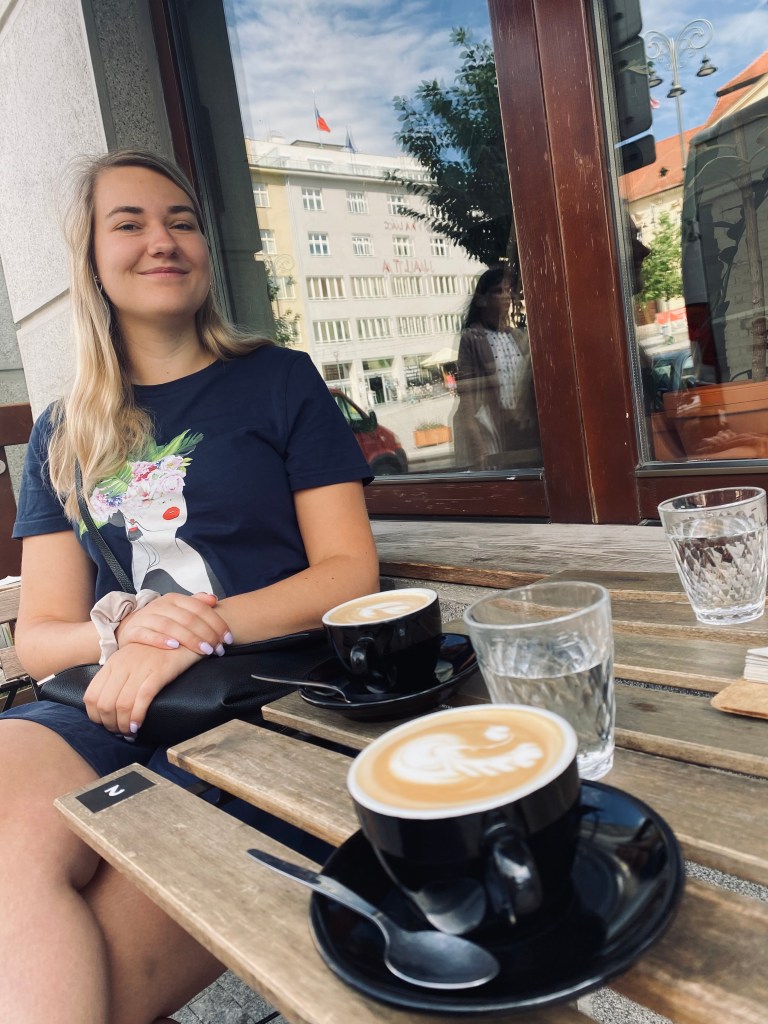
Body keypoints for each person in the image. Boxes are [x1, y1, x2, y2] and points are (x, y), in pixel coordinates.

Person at [0, 149, 379, 1024]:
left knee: (99, 989)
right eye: (128, 224)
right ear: (91, 259)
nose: (162, 240)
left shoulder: (278, 380)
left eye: (181, 221)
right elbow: (41, 636)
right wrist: (128, 631)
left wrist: (190, 633)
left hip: (268, 707)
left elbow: (347, 573)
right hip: (110, 701)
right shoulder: (65, 428)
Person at [451, 265, 540, 469]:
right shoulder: (472, 338)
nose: (505, 296)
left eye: (508, 290)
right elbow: (467, 395)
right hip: (495, 430)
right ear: (483, 299)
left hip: (524, 428)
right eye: (498, 291)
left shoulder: (517, 336)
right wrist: (479, 447)